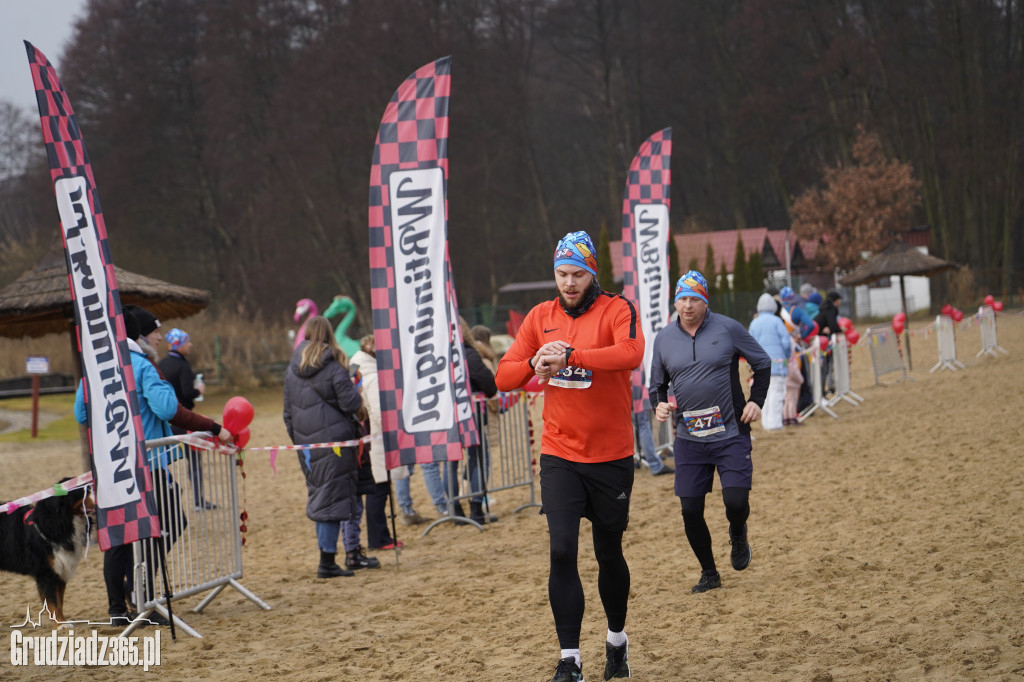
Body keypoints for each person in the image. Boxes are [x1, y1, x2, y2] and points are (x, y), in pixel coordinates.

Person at [495, 230, 643, 682]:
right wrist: (535, 363)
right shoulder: (540, 317)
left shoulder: (617, 309)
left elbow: (631, 354)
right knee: (561, 551)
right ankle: (570, 660)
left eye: (577, 273)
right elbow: (504, 376)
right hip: (560, 453)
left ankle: (616, 641)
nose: (569, 282)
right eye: (561, 274)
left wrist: (573, 355)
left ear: (592, 271)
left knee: (608, 552)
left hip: (611, 455)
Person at [75, 306, 232, 623]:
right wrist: (213, 426)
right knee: (169, 522)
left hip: (112, 466)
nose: (161, 336)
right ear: (137, 335)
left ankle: (118, 610)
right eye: (156, 331)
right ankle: (139, 596)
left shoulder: (95, 369)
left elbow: (81, 413)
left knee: (120, 535)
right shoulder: (143, 365)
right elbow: (166, 407)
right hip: (147, 462)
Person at [649, 270, 771, 595]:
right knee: (690, 509)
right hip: (689, 438)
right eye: (682, 299)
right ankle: (709, 572)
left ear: (705, 301)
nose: (687, 306)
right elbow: (656, 386)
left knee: (736, 501)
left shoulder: (728, 328)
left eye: (694, 299)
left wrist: (757, 401)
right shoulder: (663, 339)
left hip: (730, 431)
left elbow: (763, 363)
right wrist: (659, 405)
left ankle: (737, 530)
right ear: (674, 301)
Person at [282, 316, 367, 578]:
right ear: (330, 335)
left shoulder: (291, 370)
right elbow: (351, 404)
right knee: (330, 500)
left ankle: (326, 556)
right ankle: (327, 561)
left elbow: (287, 413)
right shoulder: (334, 367)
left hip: (308, 444)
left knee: (321, 496)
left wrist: (300, 442)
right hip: (335, 443)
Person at [348, 334, 402, 551]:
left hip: (368, 437)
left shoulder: (358, 370)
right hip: (377, 439)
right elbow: (380, 412)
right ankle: (380, 538)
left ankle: (380, 536)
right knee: (379, 489)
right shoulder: (374, 377)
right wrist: (392, 432)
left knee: (377, 489)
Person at [158, 328, 215, 510]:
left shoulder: (160, 364)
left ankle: (164, 504)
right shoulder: (183, 366)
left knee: (161, 464)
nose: (190, 345)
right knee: (194, 463)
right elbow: (187, 392)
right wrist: (199, 390)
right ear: (179, 344)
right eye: (187, 342)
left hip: (166, 423)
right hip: (184, 423)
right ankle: (199, 501)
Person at [459, 317, 499, 525]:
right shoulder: (468, 353)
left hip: (445, 417)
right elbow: (488, 383)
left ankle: (454, 508)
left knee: (451, 463)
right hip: (470, 414)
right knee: (478, 459)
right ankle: (476, 508)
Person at [748, 293, 792, 431]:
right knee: (777, 393)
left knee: (763, 395)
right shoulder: (777, 321)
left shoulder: (754, 323)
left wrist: (751, 364)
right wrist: (786, 356)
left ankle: (766, 422)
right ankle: (775, 423)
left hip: (759, 366)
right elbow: (786, 342)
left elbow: (748, 345)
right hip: (777, 365)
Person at [814, 290, 843, 394]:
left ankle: (822, 391)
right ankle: (821, 393)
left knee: (823, 368)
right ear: (835, 301)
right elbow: (833, 326)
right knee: (824, 368)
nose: (840, 302)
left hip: (819, 340)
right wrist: (841, 330)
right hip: (820, 342)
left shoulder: (824, 309)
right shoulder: (831, 310)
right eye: (839, 300)